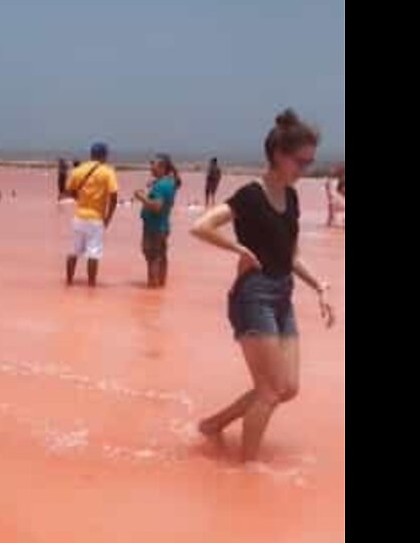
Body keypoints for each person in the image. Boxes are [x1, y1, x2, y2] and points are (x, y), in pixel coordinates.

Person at [189, 110, 335, 463]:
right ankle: (247, 471)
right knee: (270, 391)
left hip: (283, 294)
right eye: (302, 162)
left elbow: (290, 254)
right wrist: (238, 248)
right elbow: (202, 225)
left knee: (288, 388)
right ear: (279, 156)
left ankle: (213, 425)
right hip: (253, 296)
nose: (306, 169)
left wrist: (319, 285)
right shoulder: (251, 195)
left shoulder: (293, 197)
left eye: (310, 162)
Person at [63, 142, 119, 286]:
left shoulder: (79, 170)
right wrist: (108, 218)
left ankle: (69, 282)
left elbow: (68, 190)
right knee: (93, 254)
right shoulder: (107, 172)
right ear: (104, 155)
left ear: (91, 154)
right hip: (96, 218)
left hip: (79, 216)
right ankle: (91, 285)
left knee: (74, 251)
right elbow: (114, 196)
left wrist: (79, 199)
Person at [134, 154, 179, 287]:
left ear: (162, 167)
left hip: (154, 227)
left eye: (153, 164)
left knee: (152, 258)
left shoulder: (161, 186)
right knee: (161, 256)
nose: (151, 167)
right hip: (162, 226)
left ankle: (152, 286)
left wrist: (141, 197)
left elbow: (157, 206)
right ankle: (160, 286)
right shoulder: (168, 182)